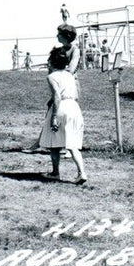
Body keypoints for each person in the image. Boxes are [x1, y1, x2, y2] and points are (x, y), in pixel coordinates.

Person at [38, 27, 88, 185]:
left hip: (62, 106)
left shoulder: (52, 76)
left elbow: (57, 96)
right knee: (73, 144)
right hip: (74, 107)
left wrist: (53, 116)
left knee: (53, 142)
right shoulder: (70, 77)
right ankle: (82, 172)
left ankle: (55, 172)